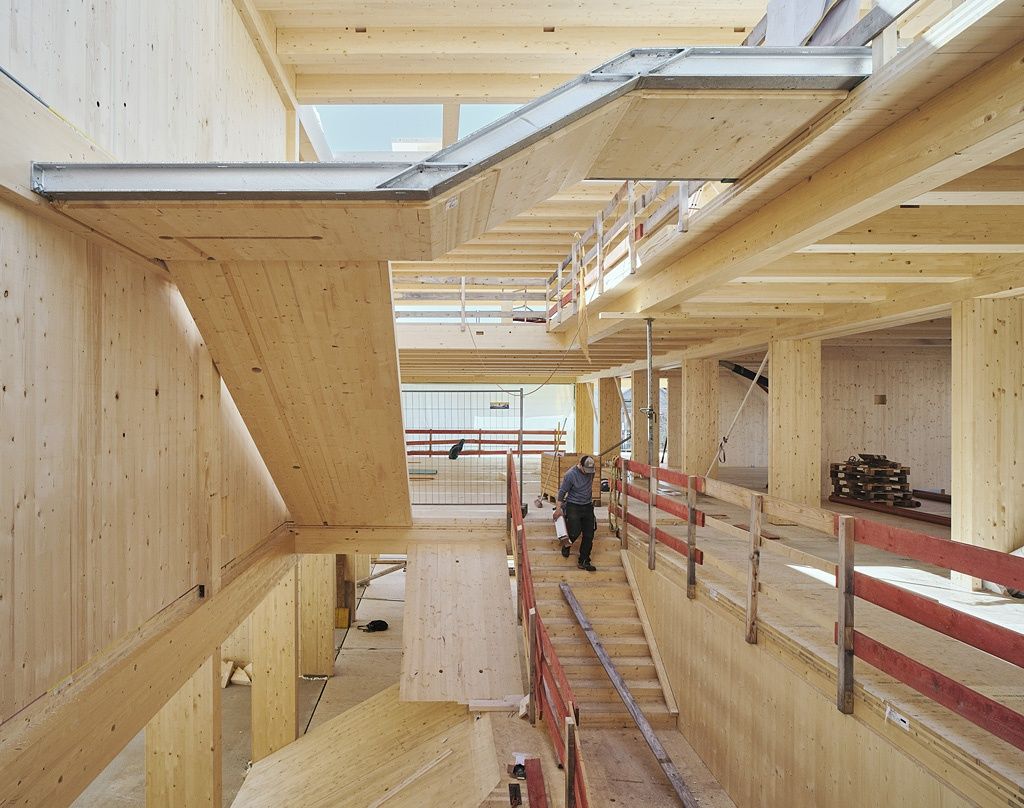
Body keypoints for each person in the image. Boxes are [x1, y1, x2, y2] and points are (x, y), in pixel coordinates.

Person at [553, 455, 598, 572]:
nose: (588, 473)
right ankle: (566, 544)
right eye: (585, 470)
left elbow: (588, 486)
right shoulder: (570, 475)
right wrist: (558, 509)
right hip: (573, 505)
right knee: (574, 531)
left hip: (587, 505)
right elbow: (562, 492)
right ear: (580, 465)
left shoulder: (591, 472)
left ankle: (584, 560)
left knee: (589, 535)